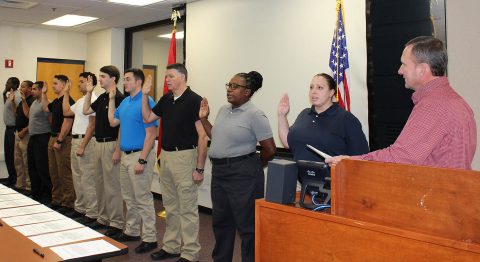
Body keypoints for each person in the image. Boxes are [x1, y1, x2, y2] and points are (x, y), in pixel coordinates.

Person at [326, 36, 477, 170]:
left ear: (422, 70)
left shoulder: (433, 106)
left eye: (404, 64)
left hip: (435, 199)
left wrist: (352, 161)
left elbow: (401, 158)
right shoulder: (458, 102)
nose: (399, 71)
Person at [199, 71, 276, 262]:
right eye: (229, 85)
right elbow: (216, 136)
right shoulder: (224, 110)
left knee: (247, 227)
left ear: (247, 92)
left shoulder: (255, 114)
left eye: (235, 86)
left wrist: (253, 166)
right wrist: (203, 119)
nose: (229, 90)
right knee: (221, 223)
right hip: (220, 173)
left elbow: (270, 149)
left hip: (243, 175)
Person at [142, 63, 207, 262]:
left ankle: (190, 253)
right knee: (170, 206)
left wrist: (199, 168)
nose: (167, 79)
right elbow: (147, 118)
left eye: (170, 76)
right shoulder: (167, 99)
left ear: (182, 77)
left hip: (185, 157)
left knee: (187, 208)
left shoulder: (195, 100)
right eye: (166, 76)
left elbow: (203, 137)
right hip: (167, 157)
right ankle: (171, 246)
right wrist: (145, 95)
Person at [107, 68, 158, 254]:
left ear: (138, 82)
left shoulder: (147, 101)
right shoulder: (126, 102)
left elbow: (152, 133)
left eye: (128, 79)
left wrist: (142, 160)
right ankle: (132, 231)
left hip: (140, 155)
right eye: (124, 79)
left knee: (143, 198)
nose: (124, 82)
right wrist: (112, 99)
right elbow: (113, 122)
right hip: (126, 155)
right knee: (129, 197)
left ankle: (150, 238)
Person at [277, 73, 369, 162]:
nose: (314, 91)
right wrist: (282, 115)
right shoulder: (304, 114)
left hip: (331, 177)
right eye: (311, 87)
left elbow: (362, 157)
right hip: (299, 176)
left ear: (331, 92)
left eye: (320, 88)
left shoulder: (347, 119)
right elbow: (288, 143)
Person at [83, 65, 125, 237]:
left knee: (112, 185)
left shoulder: (120, 98)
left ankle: (116, 222)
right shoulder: (102, 97)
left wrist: (117, 150)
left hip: (111, 144)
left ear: (113, 79)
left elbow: (121, 126)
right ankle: (102, 217)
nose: (99, 79)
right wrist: (88, 92)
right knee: (99, 183)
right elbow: (86, 111)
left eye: (102, 76)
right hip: (98, 144)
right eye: (99, 76)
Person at [62, 72, 99, 224]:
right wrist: (66, 92)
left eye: (82, 81)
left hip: (86, 141)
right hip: (75, 140)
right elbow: (66, 112)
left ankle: (92, 211)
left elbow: (92, 124)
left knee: (87, 177)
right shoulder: (80, 100)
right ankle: (81, 208)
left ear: (91, 83)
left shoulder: (93, 99)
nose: (79, 84)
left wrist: (83, 145)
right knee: (77, 177)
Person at [41, 75, 75, 213]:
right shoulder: (56, 101)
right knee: (54, 171)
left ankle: (68, 203)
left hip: (64, 139)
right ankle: (57, 199)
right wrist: (44, 93)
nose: (53, 85)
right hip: (53, 137)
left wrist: (60, 140)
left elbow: (68, 122)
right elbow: (45, 109)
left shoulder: (68, 101)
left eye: (55, 83)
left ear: (64, 85)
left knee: (64, 172)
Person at [27, 81, 52, 202]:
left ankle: (47, 195)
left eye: (35, 89)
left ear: (41, 90)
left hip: (43, 137)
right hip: (33, 138)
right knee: (32, 166)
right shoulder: (33, 102)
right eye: (31, 89)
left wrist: (44, 95)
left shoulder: (45, 102)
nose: (32, 91)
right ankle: (36, 193)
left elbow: (48, 112)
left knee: (42, 167)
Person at [14, 80, 35, 192]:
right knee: (18, 161)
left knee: (26, 161)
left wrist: (25, 131)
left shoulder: (32, 101)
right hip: (18, 133)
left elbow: (31, 119)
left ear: (30, 88)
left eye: (23, 87)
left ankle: (28, 186)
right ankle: (20, 184)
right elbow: (17, 115)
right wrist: (13, 102)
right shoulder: (22, 101)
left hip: (26, 134)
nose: (20, 89)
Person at [3, 77, 21, 187]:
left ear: (14, 85)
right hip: (8, 129)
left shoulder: (17, 96)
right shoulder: (10, 95)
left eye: (8, 82)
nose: (6, 84)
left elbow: (19, 114)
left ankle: (15, 180)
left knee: (14, 156)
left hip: (13, 129)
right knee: (8, 155)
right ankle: (11, 178)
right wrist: (5, 92)